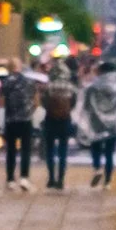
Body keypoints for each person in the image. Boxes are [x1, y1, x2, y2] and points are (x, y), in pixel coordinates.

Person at [79, 64, 116, 187]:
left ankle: (97, 168)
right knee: (109, 153)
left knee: (95, 148)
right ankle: (108, 181)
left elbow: (86, 107)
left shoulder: (92, 88)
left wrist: (84, 123)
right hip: (113, 124)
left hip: (96, 124)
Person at [0, 60, 38, 191]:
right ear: (19, 67)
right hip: (26, 119)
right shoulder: (29, 81)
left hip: (11, 120)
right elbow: (36, 100)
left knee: (11, 150)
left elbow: (0, 101)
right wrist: (29, 110)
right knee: (26, 149)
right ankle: (24, 178)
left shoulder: (5, 82)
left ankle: (10, 179)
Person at [39, 62, 79, 190]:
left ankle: (51, 178)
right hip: (64, 120)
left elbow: (44, 102)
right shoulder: (71, 87)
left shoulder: (48, 87)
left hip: (50, 119)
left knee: (50, 150)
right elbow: (74, 103)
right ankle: (61, 180)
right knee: (63, 151)